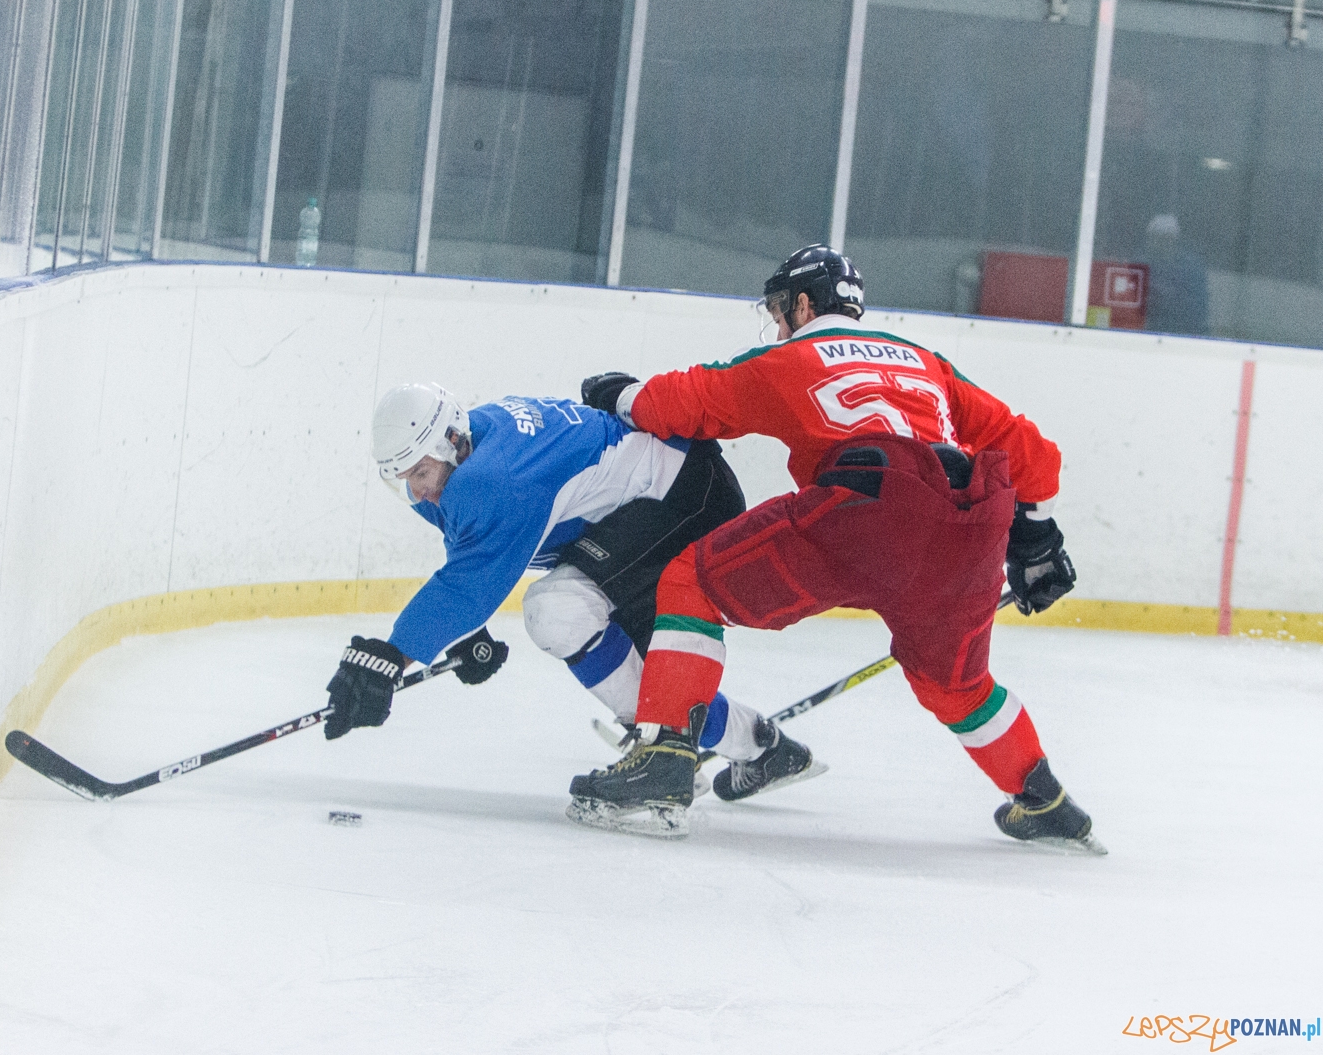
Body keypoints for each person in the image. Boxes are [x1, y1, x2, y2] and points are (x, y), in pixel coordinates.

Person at [569, 245, 1101, 853]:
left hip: (866, 510)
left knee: (692, 581)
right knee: (957, 686)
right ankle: (1047, 803)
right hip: (966, 530)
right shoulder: (924, 361)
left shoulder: (790, 356)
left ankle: (663, 763)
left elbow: (685, 404)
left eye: (778, 308)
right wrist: (1036, 540)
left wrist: (620, 394)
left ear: (803, 303)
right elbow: (1031, 450)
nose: (777, 323)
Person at [320, 382, 825, 807]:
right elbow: (473, 554)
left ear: (453, 442)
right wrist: (465, 632)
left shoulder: (495, 478)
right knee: (648, 676)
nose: (419, 493)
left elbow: (469, 584)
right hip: (651, 507)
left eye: (421, 475)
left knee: (558, 609)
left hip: (682, 500)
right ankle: (762, 748)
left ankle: (665, 755)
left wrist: (391, 657)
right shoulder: (471, 445)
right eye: (405, 481)